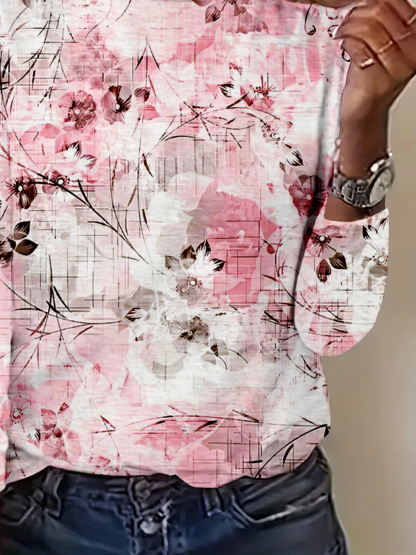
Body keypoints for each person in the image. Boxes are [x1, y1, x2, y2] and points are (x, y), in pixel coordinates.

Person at [0, 0, 414, 553]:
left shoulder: (322, 29)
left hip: (262, 512)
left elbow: (336, 324)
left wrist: (366, 120)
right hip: (43, 512)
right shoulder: (23, 20)